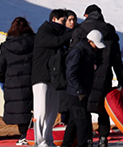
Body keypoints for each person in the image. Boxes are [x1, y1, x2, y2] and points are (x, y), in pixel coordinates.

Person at [71, 5, 123, 147]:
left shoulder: (80, 30)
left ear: (87, 15)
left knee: (85, 108)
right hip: (104, 76)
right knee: (103, 108)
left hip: (85, 76)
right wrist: (121, 79)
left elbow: (73, 54)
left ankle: (88, 138)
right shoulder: (109, 31)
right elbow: (117, 59)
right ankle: (103, 138)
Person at [32, 9, 71, 147]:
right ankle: (39, 141)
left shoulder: (59, 33)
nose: (65, 24)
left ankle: (48, 139)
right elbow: (55, 42)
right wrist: (70, 34)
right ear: (54, 19)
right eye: (63, 21)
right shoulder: (44, 32)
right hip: (41, 77)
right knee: (41, 110)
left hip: (54, 78)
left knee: (52, 111)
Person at [0, 17, 35, 145]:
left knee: (20, 110)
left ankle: (24, 135)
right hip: (31, 81)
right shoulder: (34, 42)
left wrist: (2, 80)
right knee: (33, 108)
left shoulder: (6, 46)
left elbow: (1, 67)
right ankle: (34, 134)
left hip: (13, 83)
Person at [62, 30, 104, 147]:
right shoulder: (79, 52)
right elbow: (71, 73)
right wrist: (79, 90)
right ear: (90, 42)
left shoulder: (87, 51)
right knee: (83, 123)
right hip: (76, 93)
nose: (97, 48)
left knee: (73, 122)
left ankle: (66, 144)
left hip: (80, 91)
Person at [59, 10, 77, 126]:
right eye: (69, 20)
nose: (72, 22)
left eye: (74, 19)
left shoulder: (78, 34)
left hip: (74, 71)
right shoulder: (60, 35)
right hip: (63, 71)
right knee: (64, 100)